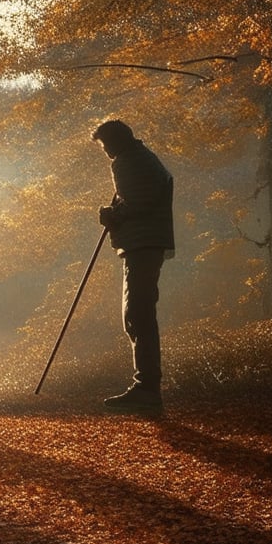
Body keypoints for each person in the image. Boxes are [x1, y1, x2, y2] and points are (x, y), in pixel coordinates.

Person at [92, 120, 174, 414]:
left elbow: (138, 202)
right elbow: (141, 197)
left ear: (113, 142)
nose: (105, 153)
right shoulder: (143, 158)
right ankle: (145, 387)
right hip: (147, 242)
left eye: (104, 146)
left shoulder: (127, 161)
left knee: (137, 313)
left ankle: (147, 389)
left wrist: (112, 214)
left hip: (142, 243)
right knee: (138, 313)